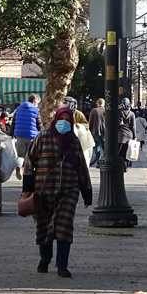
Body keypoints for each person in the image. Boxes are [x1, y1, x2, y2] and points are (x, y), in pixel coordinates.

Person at [22, 107, 93, 278]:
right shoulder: (42, 137)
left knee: (64, 225)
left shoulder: (74, 141)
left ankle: (62, 266)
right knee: (44, 226)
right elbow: (29, 162)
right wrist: (28, 187)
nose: (64, 123)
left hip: (68, 191)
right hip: (43, 191)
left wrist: (86, 191)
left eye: (68, 120)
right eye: (62, 119)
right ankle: (45, 259)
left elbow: (81, 167)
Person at [12, 95, 42, 178]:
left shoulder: (18, 109)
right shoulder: (36, 110)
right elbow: (39, 124)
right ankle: (27, 173)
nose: (37, 105)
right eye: (37, 103)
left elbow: (13, 122)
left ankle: (19, 167)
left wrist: (12, 134)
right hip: (31, 136)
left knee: (20, 155)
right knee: (30, 156)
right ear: (34, 101)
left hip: (19, 135)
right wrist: (41, 131)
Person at [118, 98, 136, 169]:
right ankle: (126, 165)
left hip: (120, 135)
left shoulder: (119, 112)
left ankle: (122, 166)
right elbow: (133, 126)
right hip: (129, 135)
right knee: (128, 151)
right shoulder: (132, 114)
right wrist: (135, 136)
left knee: (120, 152)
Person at [88, 98, 105, 167]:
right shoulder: (106, 110)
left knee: (97, 147)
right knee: (104, 148)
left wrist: (89, 131)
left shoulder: (94, 110)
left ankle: (98, 161)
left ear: (97, 103)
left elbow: (90, 122)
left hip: (95, 132)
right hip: (105, 132)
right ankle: (103, 160)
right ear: (103, 103)